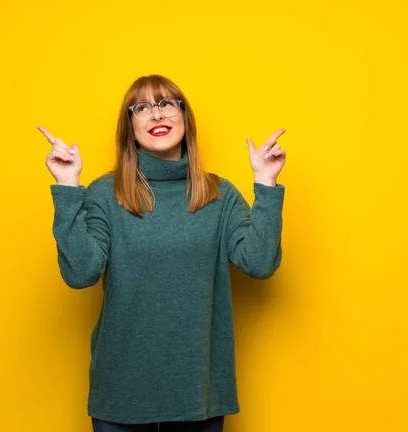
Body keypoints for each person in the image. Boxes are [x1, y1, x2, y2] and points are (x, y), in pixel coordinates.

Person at [37, 75, 287, 432]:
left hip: (197, 392)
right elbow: (80, 274)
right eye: (142, 107)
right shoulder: (105, 194)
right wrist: (66, 189)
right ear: (130, 127)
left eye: (167, 103)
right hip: (121, 389)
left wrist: (266, 185)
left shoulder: (219, 195)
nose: (156, 115)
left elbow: (260, 263)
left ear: (185, 117)